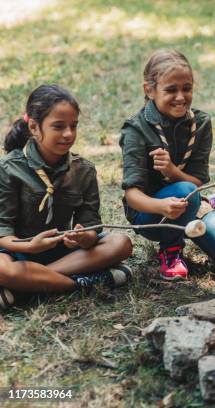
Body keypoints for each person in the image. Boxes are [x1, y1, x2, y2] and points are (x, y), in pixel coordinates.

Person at [119, 49, 215, 280]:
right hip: (149, 215)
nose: (181, 97)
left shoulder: (200, 123)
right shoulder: (136, 129)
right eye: (171, 90)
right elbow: (132, 196)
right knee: (185, 191)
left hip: (189, 201)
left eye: (187, 88)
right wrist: (162, 207)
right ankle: (171, 250)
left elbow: (197, 183)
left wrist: (172, 170)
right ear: (149, 90)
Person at [0, 85, 133, 309]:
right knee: (3, 269)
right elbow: (2, 231)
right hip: (17, 252)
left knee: (121, 243)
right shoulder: (9, 169)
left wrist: (84, 237)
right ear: (34, 126)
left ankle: (27, 285)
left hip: (61, 254)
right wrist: (30, 246)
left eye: (73, 126)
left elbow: (92, 226)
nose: (68, 134)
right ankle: (81, 285)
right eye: (58, 126)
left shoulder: (84, 170)